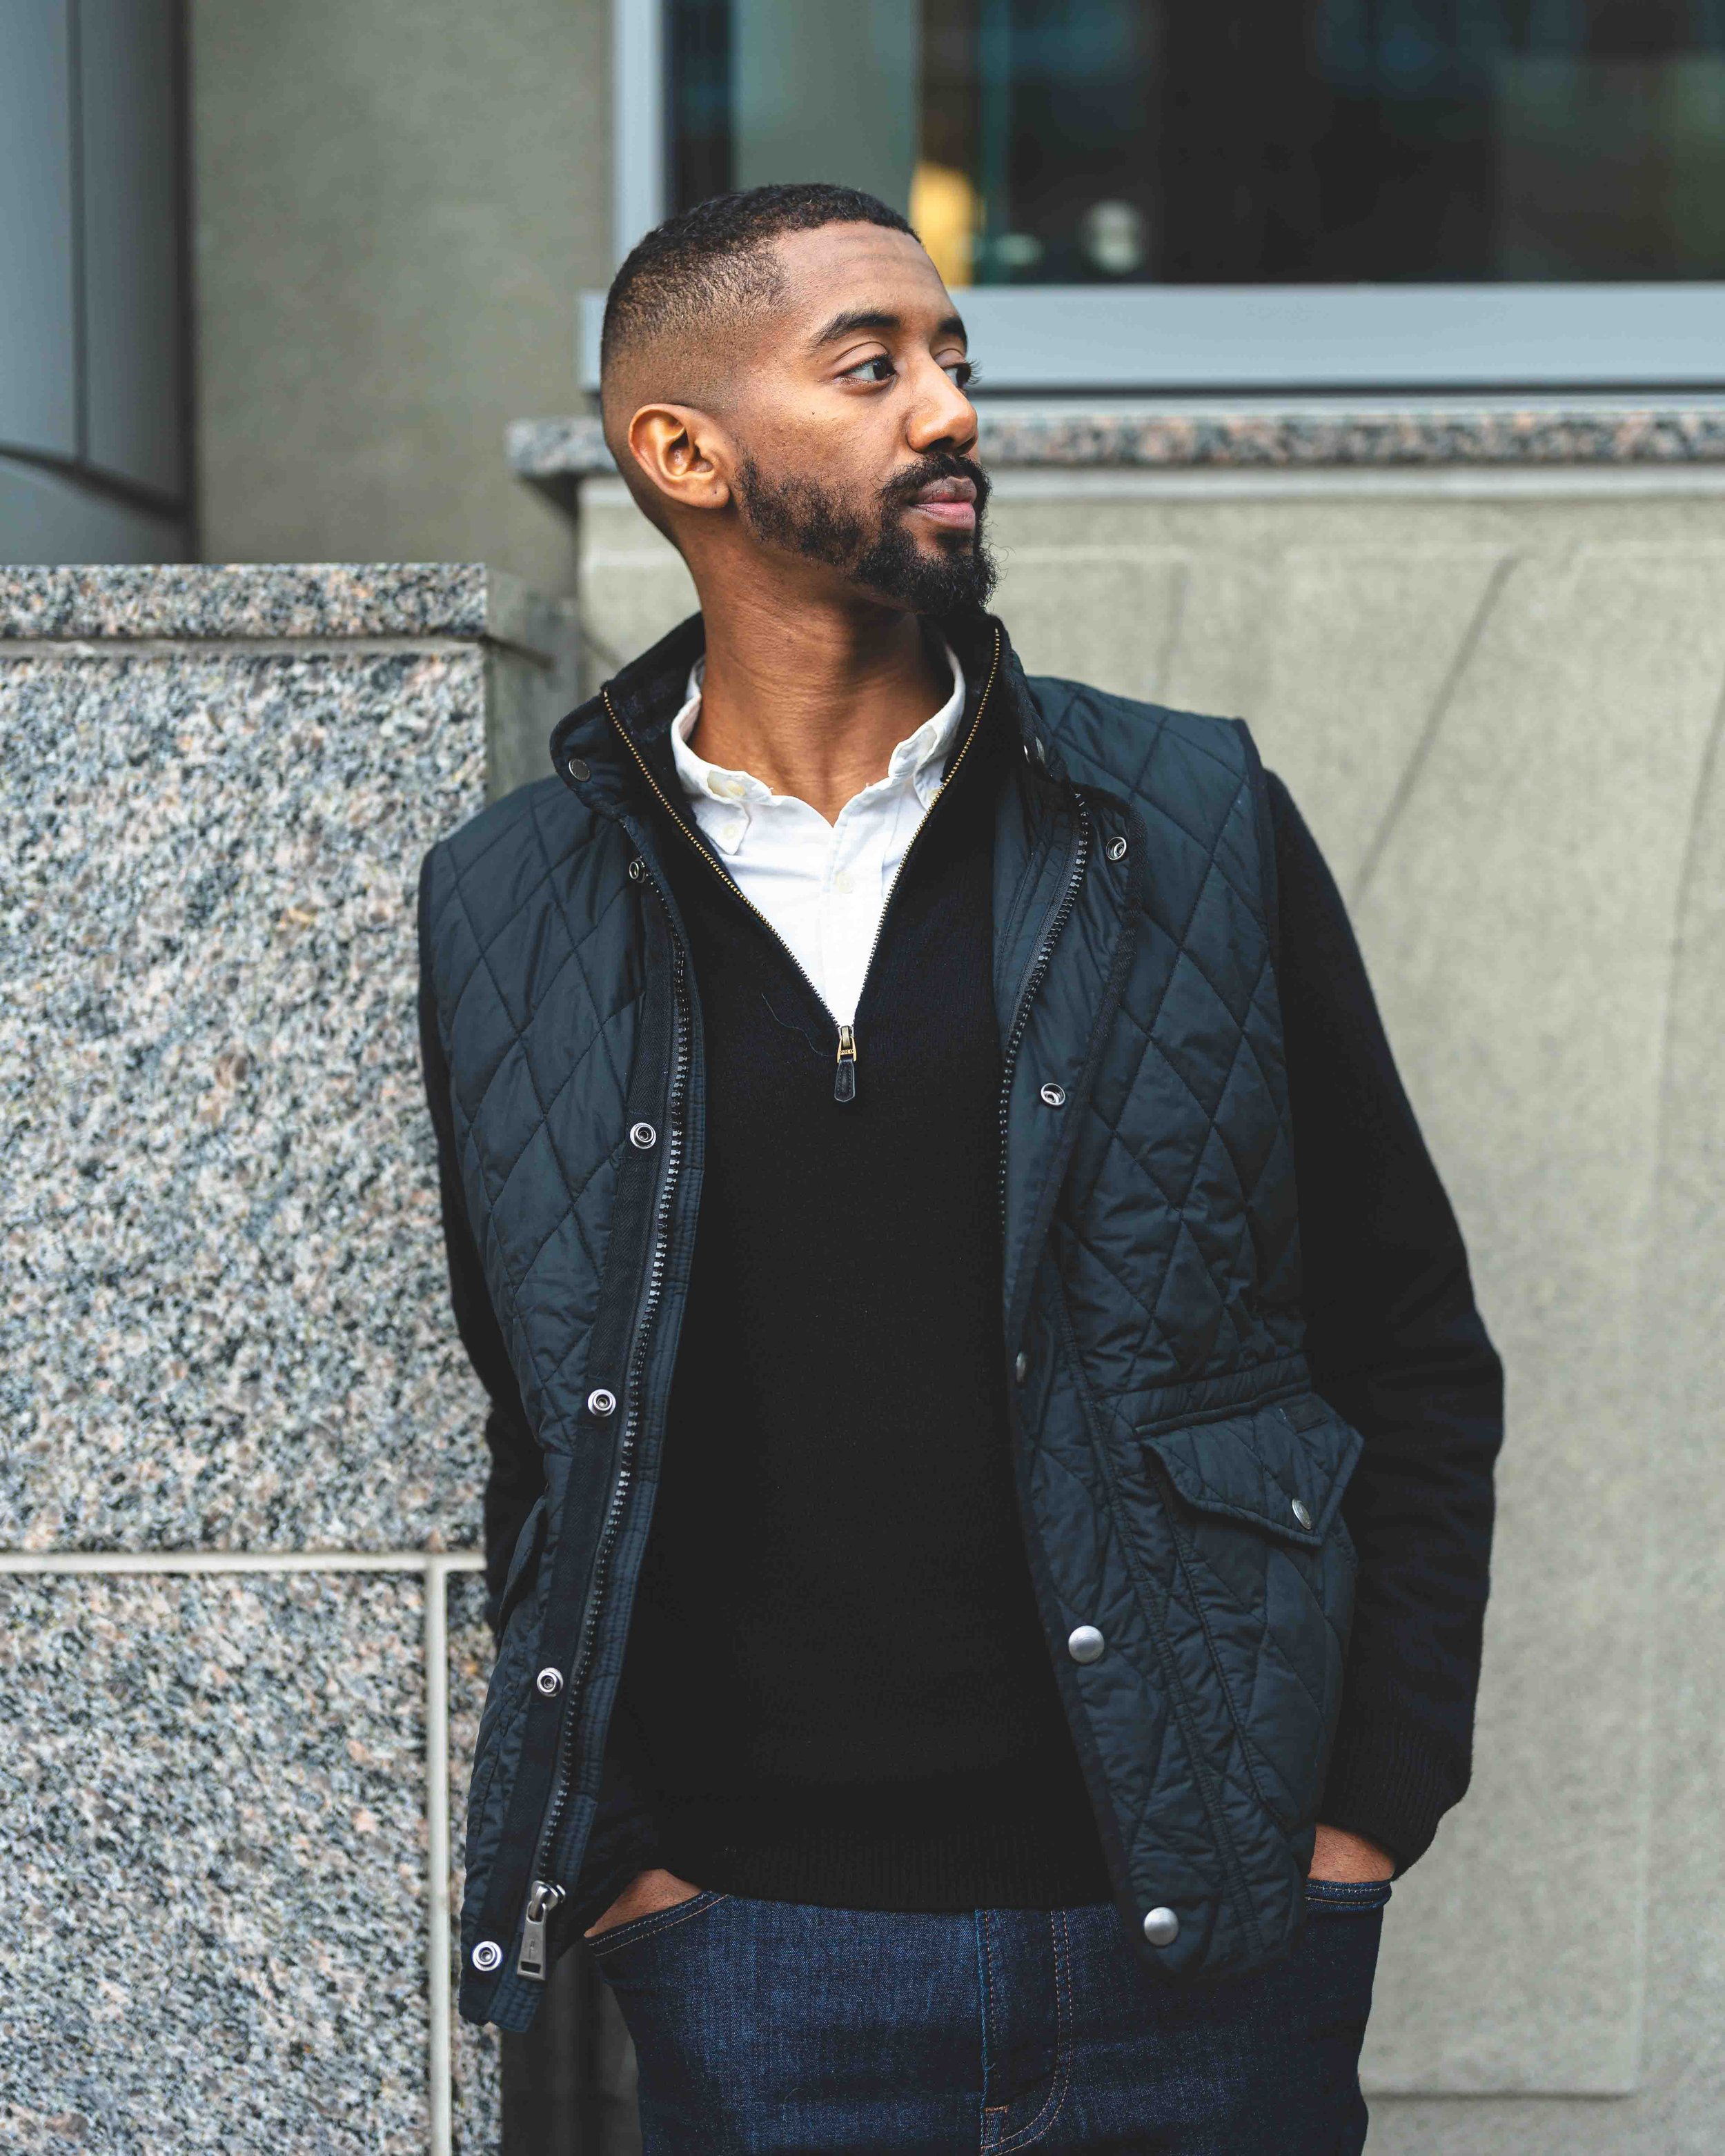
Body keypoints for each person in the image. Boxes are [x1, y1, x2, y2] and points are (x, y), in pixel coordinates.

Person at [417, 183, 1502, 2154]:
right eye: (872, 365)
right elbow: (538, 1417)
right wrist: (642, 1879)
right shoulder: (509, 903)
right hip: (756, 1960)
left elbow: (1406, 1345)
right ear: (683, 450)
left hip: (1196, 1936)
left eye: (953, 363)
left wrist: (1359, 1819)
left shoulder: (1179, 813)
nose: (947, 413)